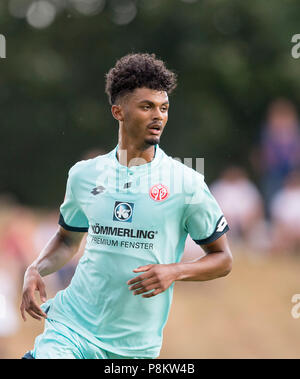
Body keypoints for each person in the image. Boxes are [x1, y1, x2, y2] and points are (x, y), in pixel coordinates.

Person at [20, 53, 232, 359]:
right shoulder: (84, 174)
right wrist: (35, 268)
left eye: (163, 108)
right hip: (71, 328)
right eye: (146, 107)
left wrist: (175, 271)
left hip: (133, 349)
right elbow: (67, 239)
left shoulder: (186, 183)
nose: (158, 116)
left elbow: (223, 258)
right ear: (118, 111)